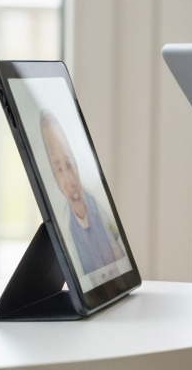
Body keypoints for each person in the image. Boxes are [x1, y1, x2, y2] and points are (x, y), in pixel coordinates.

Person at [39, 108, 125, 275]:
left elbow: (117, 250)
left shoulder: (98, 206)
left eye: (69, 164)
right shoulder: (67, 230)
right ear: (55, 178)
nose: (68, 179)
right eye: (59, 170)